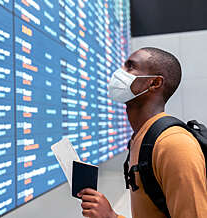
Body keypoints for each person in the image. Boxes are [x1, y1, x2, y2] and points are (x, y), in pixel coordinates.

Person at [78, 47, 207, 218]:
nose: (119, 73)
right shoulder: (139, 138)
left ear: (154, 83)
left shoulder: (174, 144)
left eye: (130, 67)